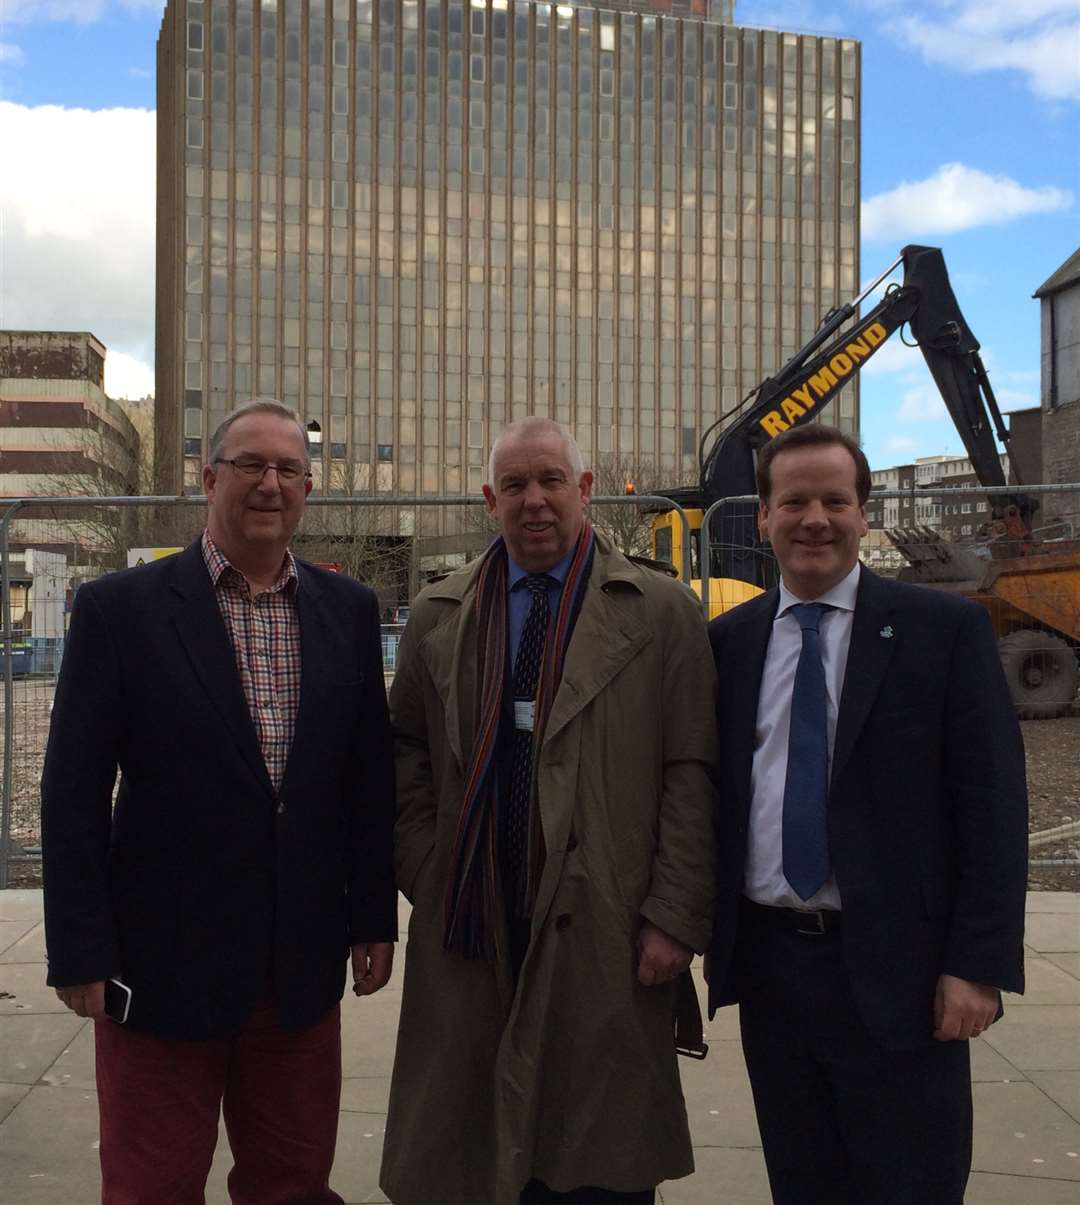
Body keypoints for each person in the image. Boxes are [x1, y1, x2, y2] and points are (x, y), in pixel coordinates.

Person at [41, 398, 397, 1204]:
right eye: (250, 466)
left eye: (289, 469)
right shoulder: (121, 611)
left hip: (297, 974)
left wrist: (373, 916)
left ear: (308, 488)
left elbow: (366, 783)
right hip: (160, 972)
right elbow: (72, 794)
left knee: (293, 1184)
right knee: (151, 1185)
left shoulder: (349, 613)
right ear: (208, 479)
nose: (270, 484)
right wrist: (81, 948)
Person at [380, 417, 717, 1205]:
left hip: (608, 922)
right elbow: (405, 757)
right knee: (469, 1153)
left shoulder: (661, 613)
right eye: (516, 486)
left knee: (597, 1154)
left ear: (586, 490)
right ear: (489, 499)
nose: (535, 501)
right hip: (472, 919)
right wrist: (432, 870)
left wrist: (674, 912)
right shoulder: (439, 615)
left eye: (552, 481)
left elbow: (691, 773)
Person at [707, 422, 1027, 1205]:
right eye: (794, 501)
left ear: (864, 512)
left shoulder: (944, 631)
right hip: (775, 972)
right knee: (802, 1181)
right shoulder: (726, 643)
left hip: (907, 975)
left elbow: (992, 805)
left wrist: (977, 964)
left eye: (834, 500)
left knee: (911, 1184)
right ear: (763, 516)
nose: (814, 517)